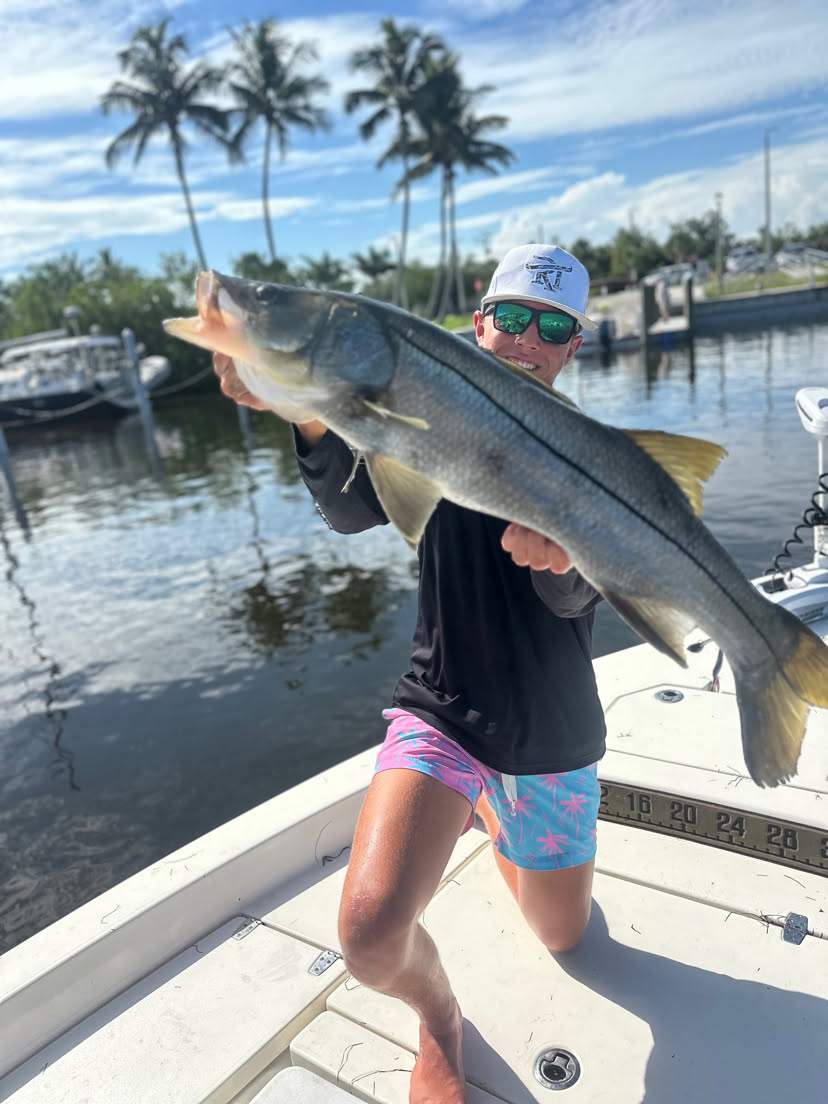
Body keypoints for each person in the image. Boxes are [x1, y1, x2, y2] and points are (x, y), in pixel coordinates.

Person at [214, 243, 606, 1104]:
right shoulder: (421, 419)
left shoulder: (589, 453)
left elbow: (583, 595)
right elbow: (349, 510)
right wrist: (305, 415)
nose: (528, 339)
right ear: (481, 323)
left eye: (552, 328)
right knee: (369, 934)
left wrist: (565, 561)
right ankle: (439, 1020)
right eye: (514, 317)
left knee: (563, 939)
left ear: (573, 347)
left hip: (555, 731)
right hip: (443, 708)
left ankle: (489, 815)